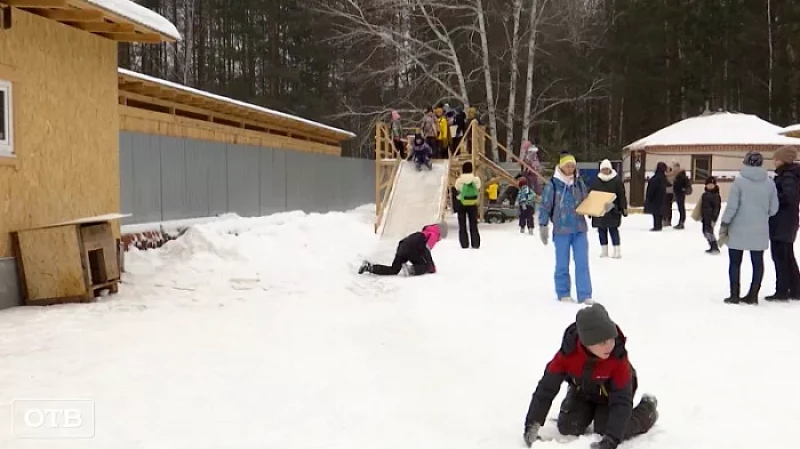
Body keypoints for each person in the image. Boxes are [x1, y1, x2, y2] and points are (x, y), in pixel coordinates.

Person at [522, 304, 659, 449]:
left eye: (611, 339)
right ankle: (584, 407)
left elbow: (621, 401)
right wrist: (532, 424)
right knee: (568, 427)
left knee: (606, 429)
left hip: (611, 395)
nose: (609, 346)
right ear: (587, 342)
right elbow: (546, 389)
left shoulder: (618, 358)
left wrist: (612, 440)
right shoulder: (567, 354)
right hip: (583, 390)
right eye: (603, 342)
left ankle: (647, 409)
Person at [718, 151, 779, 305]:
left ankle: (734, 295)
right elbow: (774, 209)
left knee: (735, 263)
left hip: (738, 228)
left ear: (745, 162)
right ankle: (753, 295)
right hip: (760, 228)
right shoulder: (770, 183)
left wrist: (725, 223)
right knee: (757, 263)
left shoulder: (739, 182)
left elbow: (732, 207)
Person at [539, 151, 592, 303]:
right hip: (561, 230)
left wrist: (599, 207)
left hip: (579, 229)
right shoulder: (553, 185)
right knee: (562, 263)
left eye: (572, 166)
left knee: (582, 262)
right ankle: (563, 293)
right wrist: (543, 225)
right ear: (561, 166)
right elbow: (545, 205)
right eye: (567, 166)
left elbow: (587, 202)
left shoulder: (579, 184)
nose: (570, 169)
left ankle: (585, 294)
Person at [766, 146, 800, 301]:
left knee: (780, 257)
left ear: (783, 160)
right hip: (787, 221)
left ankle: (782, 290)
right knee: (787, 256)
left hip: (782, 221)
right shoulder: (788, 175)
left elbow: (788, 197)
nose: (774, 161)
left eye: (776, 158)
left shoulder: (788, 177)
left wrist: (771, 196)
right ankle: (795, 289)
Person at [358, 223, 446, 276]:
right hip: (411, 248)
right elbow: (426, 250)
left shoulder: (424, 232)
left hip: (403, 245)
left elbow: (422, 250)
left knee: (394, 269)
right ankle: (411, 270)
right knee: (424, 266)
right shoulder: (434, 234)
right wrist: (431, 267)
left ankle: (369, 267)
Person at [589, 159, 627, 259]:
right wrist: (590, 210)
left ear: (610, 169)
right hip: (600, 210)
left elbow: (621, 195)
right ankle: (604, 250)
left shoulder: (616, 180)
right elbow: (591, 195)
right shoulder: (596, 181)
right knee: (601, 230)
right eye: (603, 169)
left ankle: (617, 250)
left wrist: (623, 208)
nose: (605, 171)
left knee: (613, 230)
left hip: (613, 210)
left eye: (607, 169)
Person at [454, 161, 482, 249]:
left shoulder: (459, 180)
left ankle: (464, 244)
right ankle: (475, 243)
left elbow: (457, 188)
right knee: (473, 224)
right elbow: (478, 187)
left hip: (461, 202)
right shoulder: (476, 180)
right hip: (473, 203)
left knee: (462, 224)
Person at [700, 176, 722, 255]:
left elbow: (717, 208)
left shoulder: (716, 195)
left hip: (711, 217)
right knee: (705, 231)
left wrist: (714, 218)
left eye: (712, 185)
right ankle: (712, 246)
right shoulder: (704, 195)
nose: (710, 186)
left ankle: (714, 247)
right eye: (708, 184)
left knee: (709, 232)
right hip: (705, 216)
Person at [644, 162, 668, 232]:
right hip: (662, 197)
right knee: (659, 212)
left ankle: (656, 226)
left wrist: (648, 197)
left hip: (655, 197)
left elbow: (651, 189)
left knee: (655, 213)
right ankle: (659, 225)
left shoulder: (655, 178)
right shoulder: (663, 177)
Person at [671, 162, 691, 229]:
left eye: (676, 167)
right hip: (677, 193)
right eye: (674, 167)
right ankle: (680, 222)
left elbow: (686, 185)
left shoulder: (682, 176)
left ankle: (681, 222)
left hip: (680, 194)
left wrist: (684, 189)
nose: (674, 169)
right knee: (680, 208)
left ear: (678, 168)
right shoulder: (676, 176)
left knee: (681, 208)